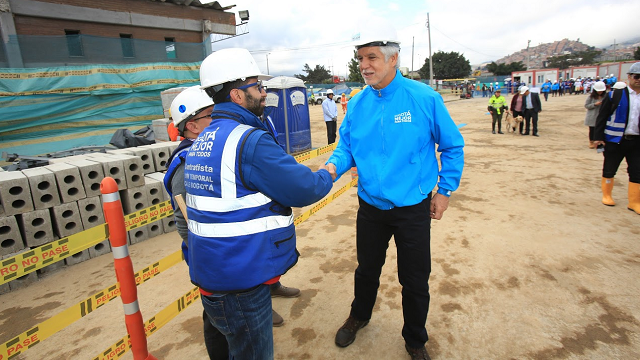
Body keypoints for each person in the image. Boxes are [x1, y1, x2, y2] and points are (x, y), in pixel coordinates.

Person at [324, 21, 464, 360]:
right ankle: (359, 316)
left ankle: (415, 339)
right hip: (370, 206)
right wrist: (330, 169)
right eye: (360, 59)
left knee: (415, 279)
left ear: (393, 59)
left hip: (412, 208)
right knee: (366, 269)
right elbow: (346, 147)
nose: (364, 66)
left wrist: (444, 191)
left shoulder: (423, 98)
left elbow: (453, 146)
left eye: (371, 57)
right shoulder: (357, 104)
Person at [184, 47, 334, 359]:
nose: (264, 93)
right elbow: (303, 188)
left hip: (214, 274)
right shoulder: (247, 140)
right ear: (238, 95)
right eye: (258, 87)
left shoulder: (204, 138)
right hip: (241, 281)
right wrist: (329, 172)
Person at [593, 62, 640, 214]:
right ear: (629, 77)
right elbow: (602, 116)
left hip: (637, 140)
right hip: (615, 139)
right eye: (636, 76)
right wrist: (598, 137)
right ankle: (607, 195)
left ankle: (634, 202)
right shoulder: (615, 95)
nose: (638, 80)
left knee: (637, 171)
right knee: (610, 168)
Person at [584, 81, 607, 149]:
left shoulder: (606, 97)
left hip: (602, 115)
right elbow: (586, 105)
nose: (600, 92)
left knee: (601, 130)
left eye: (601, 91)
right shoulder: (591, 97)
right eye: (598, 91)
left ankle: (600, 144)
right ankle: (591, 142)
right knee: (592, 130)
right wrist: (594, 104)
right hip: (592, 116)